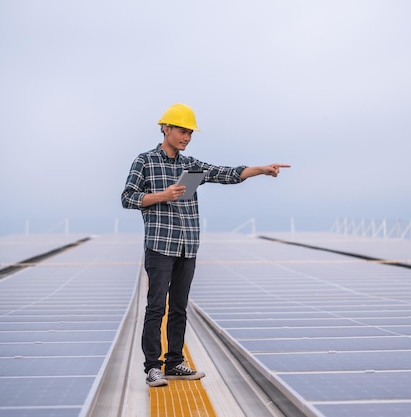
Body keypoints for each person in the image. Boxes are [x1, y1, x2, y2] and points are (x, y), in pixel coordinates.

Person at [121, 103, 290, 387]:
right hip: (160, 247)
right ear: (166, 129)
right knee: (155, 308)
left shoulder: (191, 165)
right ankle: (153, 367)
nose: (186, 137)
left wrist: (261, 169)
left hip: (188, 247)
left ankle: (175, 362)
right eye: (182, 131)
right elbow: (127, 198)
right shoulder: (145, 161)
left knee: (179, 307)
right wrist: (163, 195)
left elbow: (227, 173)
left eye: (190, 133)